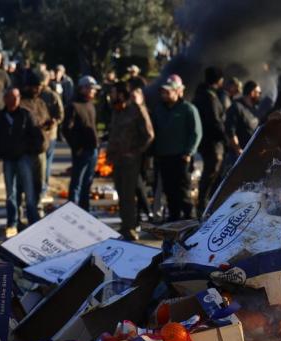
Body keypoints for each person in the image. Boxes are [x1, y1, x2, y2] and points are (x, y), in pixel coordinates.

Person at [0, 87, 40, 236]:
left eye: (17, 96)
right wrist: (0, 152)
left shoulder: (26, 115)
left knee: (29, 191)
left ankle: (33, 220)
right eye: (12, 97)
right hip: (8, 159)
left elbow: (36, 135)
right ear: (5, 99)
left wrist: (29, 151)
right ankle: (12, 222)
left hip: (24, 157)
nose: (15, 99)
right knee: (11, 193)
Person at [151, 74, 201, 222]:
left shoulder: (188, 109)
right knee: (169, 191)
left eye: (168, 91)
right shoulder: (159, 110)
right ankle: (174, 220)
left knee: (183, 192)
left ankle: (189, 221)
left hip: (181, 157)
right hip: (163, 156)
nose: (164, 94)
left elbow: (196, 133)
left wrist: (189, 152)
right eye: (163, 91)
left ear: (178, 91)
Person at [107, 83, 153, 241]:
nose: (110, 96)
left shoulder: (136, 110)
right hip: (117, 159)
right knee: (120, 193)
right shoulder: (116, 111)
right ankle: (125, 225)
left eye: (113, 93)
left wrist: (135, 152)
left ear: (120, 94)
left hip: (130, 161)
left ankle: (131, 227)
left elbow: (149, 135)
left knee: (128, 195)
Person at [64, 75, 100, 211]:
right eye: (92, 89)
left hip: (93, 149)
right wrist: (76, 146)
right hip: (82, 150)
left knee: (88, 183)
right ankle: (72, 211)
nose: (94, 91)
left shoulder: (91, 105)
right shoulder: (73, 106)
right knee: (77, 183)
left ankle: (85, 211)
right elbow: (66, 129)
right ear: (83, 88)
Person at [192, 67, 227, 208]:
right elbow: (215, 121)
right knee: (211, 172)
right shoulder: (210, 97)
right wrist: (226, 138)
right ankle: (204, 203)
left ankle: (206, 202)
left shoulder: (201, 94)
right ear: (219, 80)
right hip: (212, 142)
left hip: (207, 141)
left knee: (212, 173)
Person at [19, 74, 52, 209]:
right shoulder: (22, 103)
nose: (38, 90)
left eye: (39, 87)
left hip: (41, 148)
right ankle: (23, 208)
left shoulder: (41, 103)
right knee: (24, 183)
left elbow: (46, 118)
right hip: (26, 150)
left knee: (39, 182)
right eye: (35, 87)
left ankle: (37, 206)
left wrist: (49, 124)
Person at [37, 69, 64, 194]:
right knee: (45, 163)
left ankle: (42, 188)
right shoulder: (50, 95)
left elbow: (59, 115)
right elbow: (60, 114)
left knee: (44, 163)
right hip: (44, 134)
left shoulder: (49, 95)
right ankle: (42, 187)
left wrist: (53, 122)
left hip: (47, 134)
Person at [226, 80, 261, 162]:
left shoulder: (254, 109)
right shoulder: (236, 107)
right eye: (258, 92)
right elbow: (230, 131)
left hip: (252, 155)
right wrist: (238, 150)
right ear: (252, 93)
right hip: (238, 157)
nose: (260, 95)